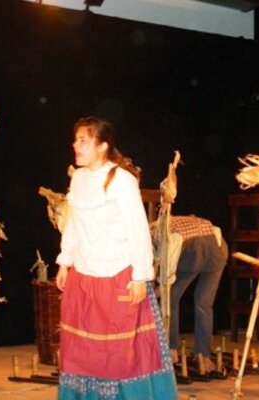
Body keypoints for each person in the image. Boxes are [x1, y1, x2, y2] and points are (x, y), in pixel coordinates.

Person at [55, 116, 178, 400]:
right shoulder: (78, 179)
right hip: (84, 277)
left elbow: (138, 229)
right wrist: (64, 261)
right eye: (75, 140)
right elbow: (73, 223)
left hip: (118, 276)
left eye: (83, 140)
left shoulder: (121, 181)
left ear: (102, 146)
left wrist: (140, 277)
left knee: (120, 355)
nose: (75, 145)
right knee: (85, 353)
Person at [165, 215, 228, 375]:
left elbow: (167, 277)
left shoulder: (166, 236)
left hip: (205, 250)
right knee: (200, 303)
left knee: (173, 298)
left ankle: (176, 351)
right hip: (210, 248)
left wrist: (158, 289)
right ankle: (198, 355)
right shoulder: (166, 227)